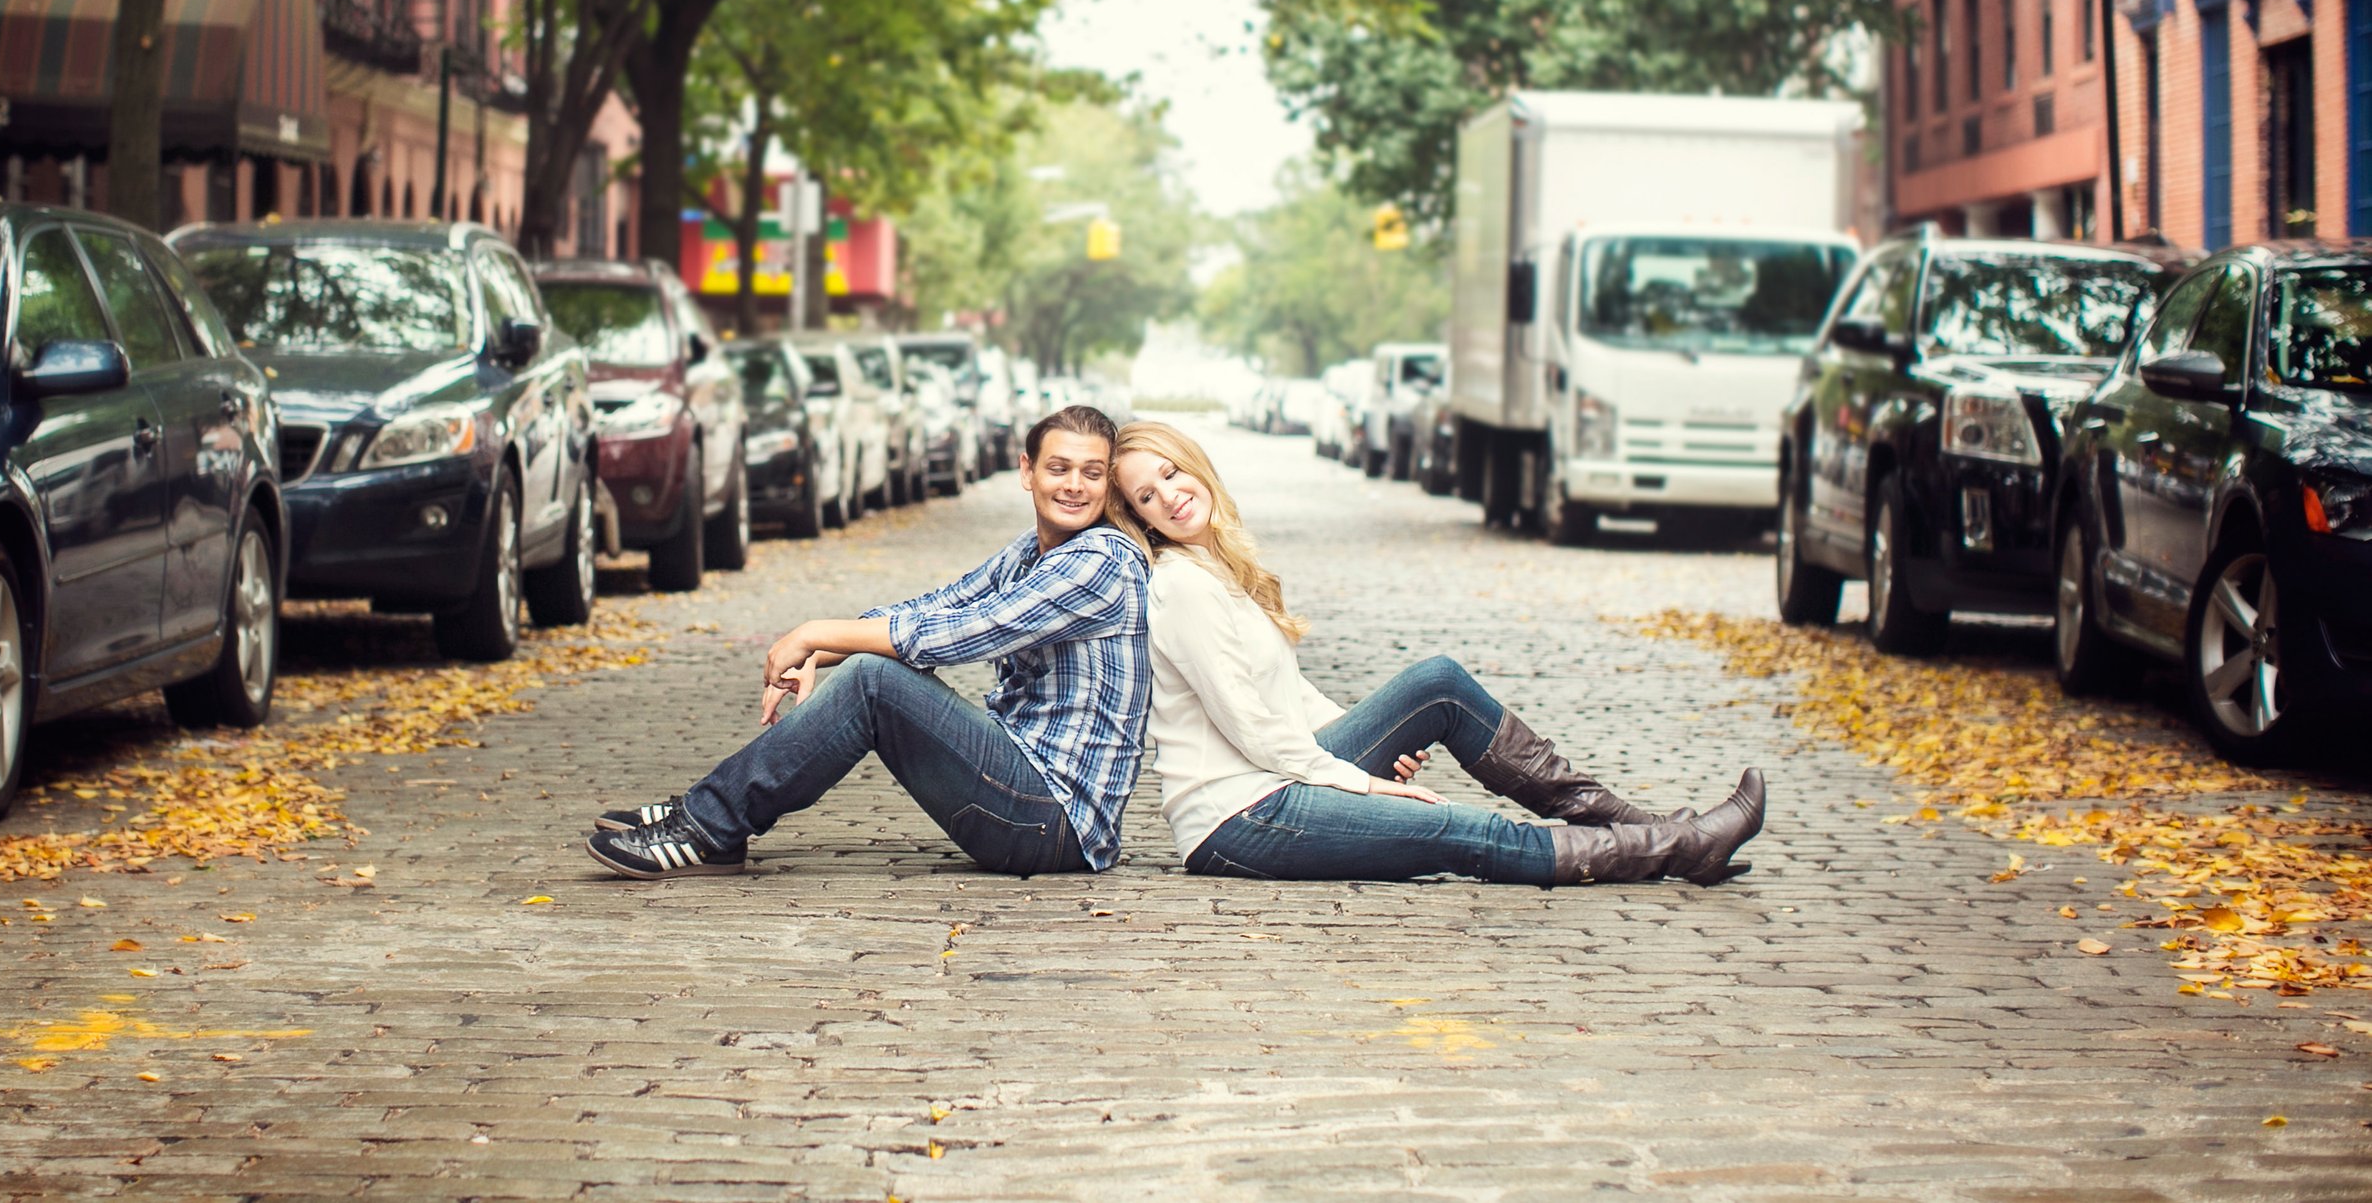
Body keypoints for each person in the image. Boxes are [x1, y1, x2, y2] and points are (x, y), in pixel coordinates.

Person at [1106, 420, 1764, 888]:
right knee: (1460, 832)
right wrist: (1361, 781)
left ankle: (1644, 823)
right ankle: (1676, 847)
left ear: (1194, 463)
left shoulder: (1217, 565)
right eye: (1146, 496)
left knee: (1438, 684)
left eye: (1170, 471)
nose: (1169, 494)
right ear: (1141, 519)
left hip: (1276, 778)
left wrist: (1369, 745)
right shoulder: (1183, 584)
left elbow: (1291, 699)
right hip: (1239, 816)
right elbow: (1252, 730)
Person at [584, 405, 1149, 879]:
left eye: (1092, 473)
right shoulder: (1032, 550)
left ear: (1109, 484)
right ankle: (711, 818)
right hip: (1023, 795)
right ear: (1027, 471)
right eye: (1059, 467)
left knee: (878, 682)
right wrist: (824, 651)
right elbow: (939, 605)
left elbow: (959, 635)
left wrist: (820, 633)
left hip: (1055, 824)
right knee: (872, 672)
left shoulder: (1101, 562)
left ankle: (707, 824)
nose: (1074, 485)